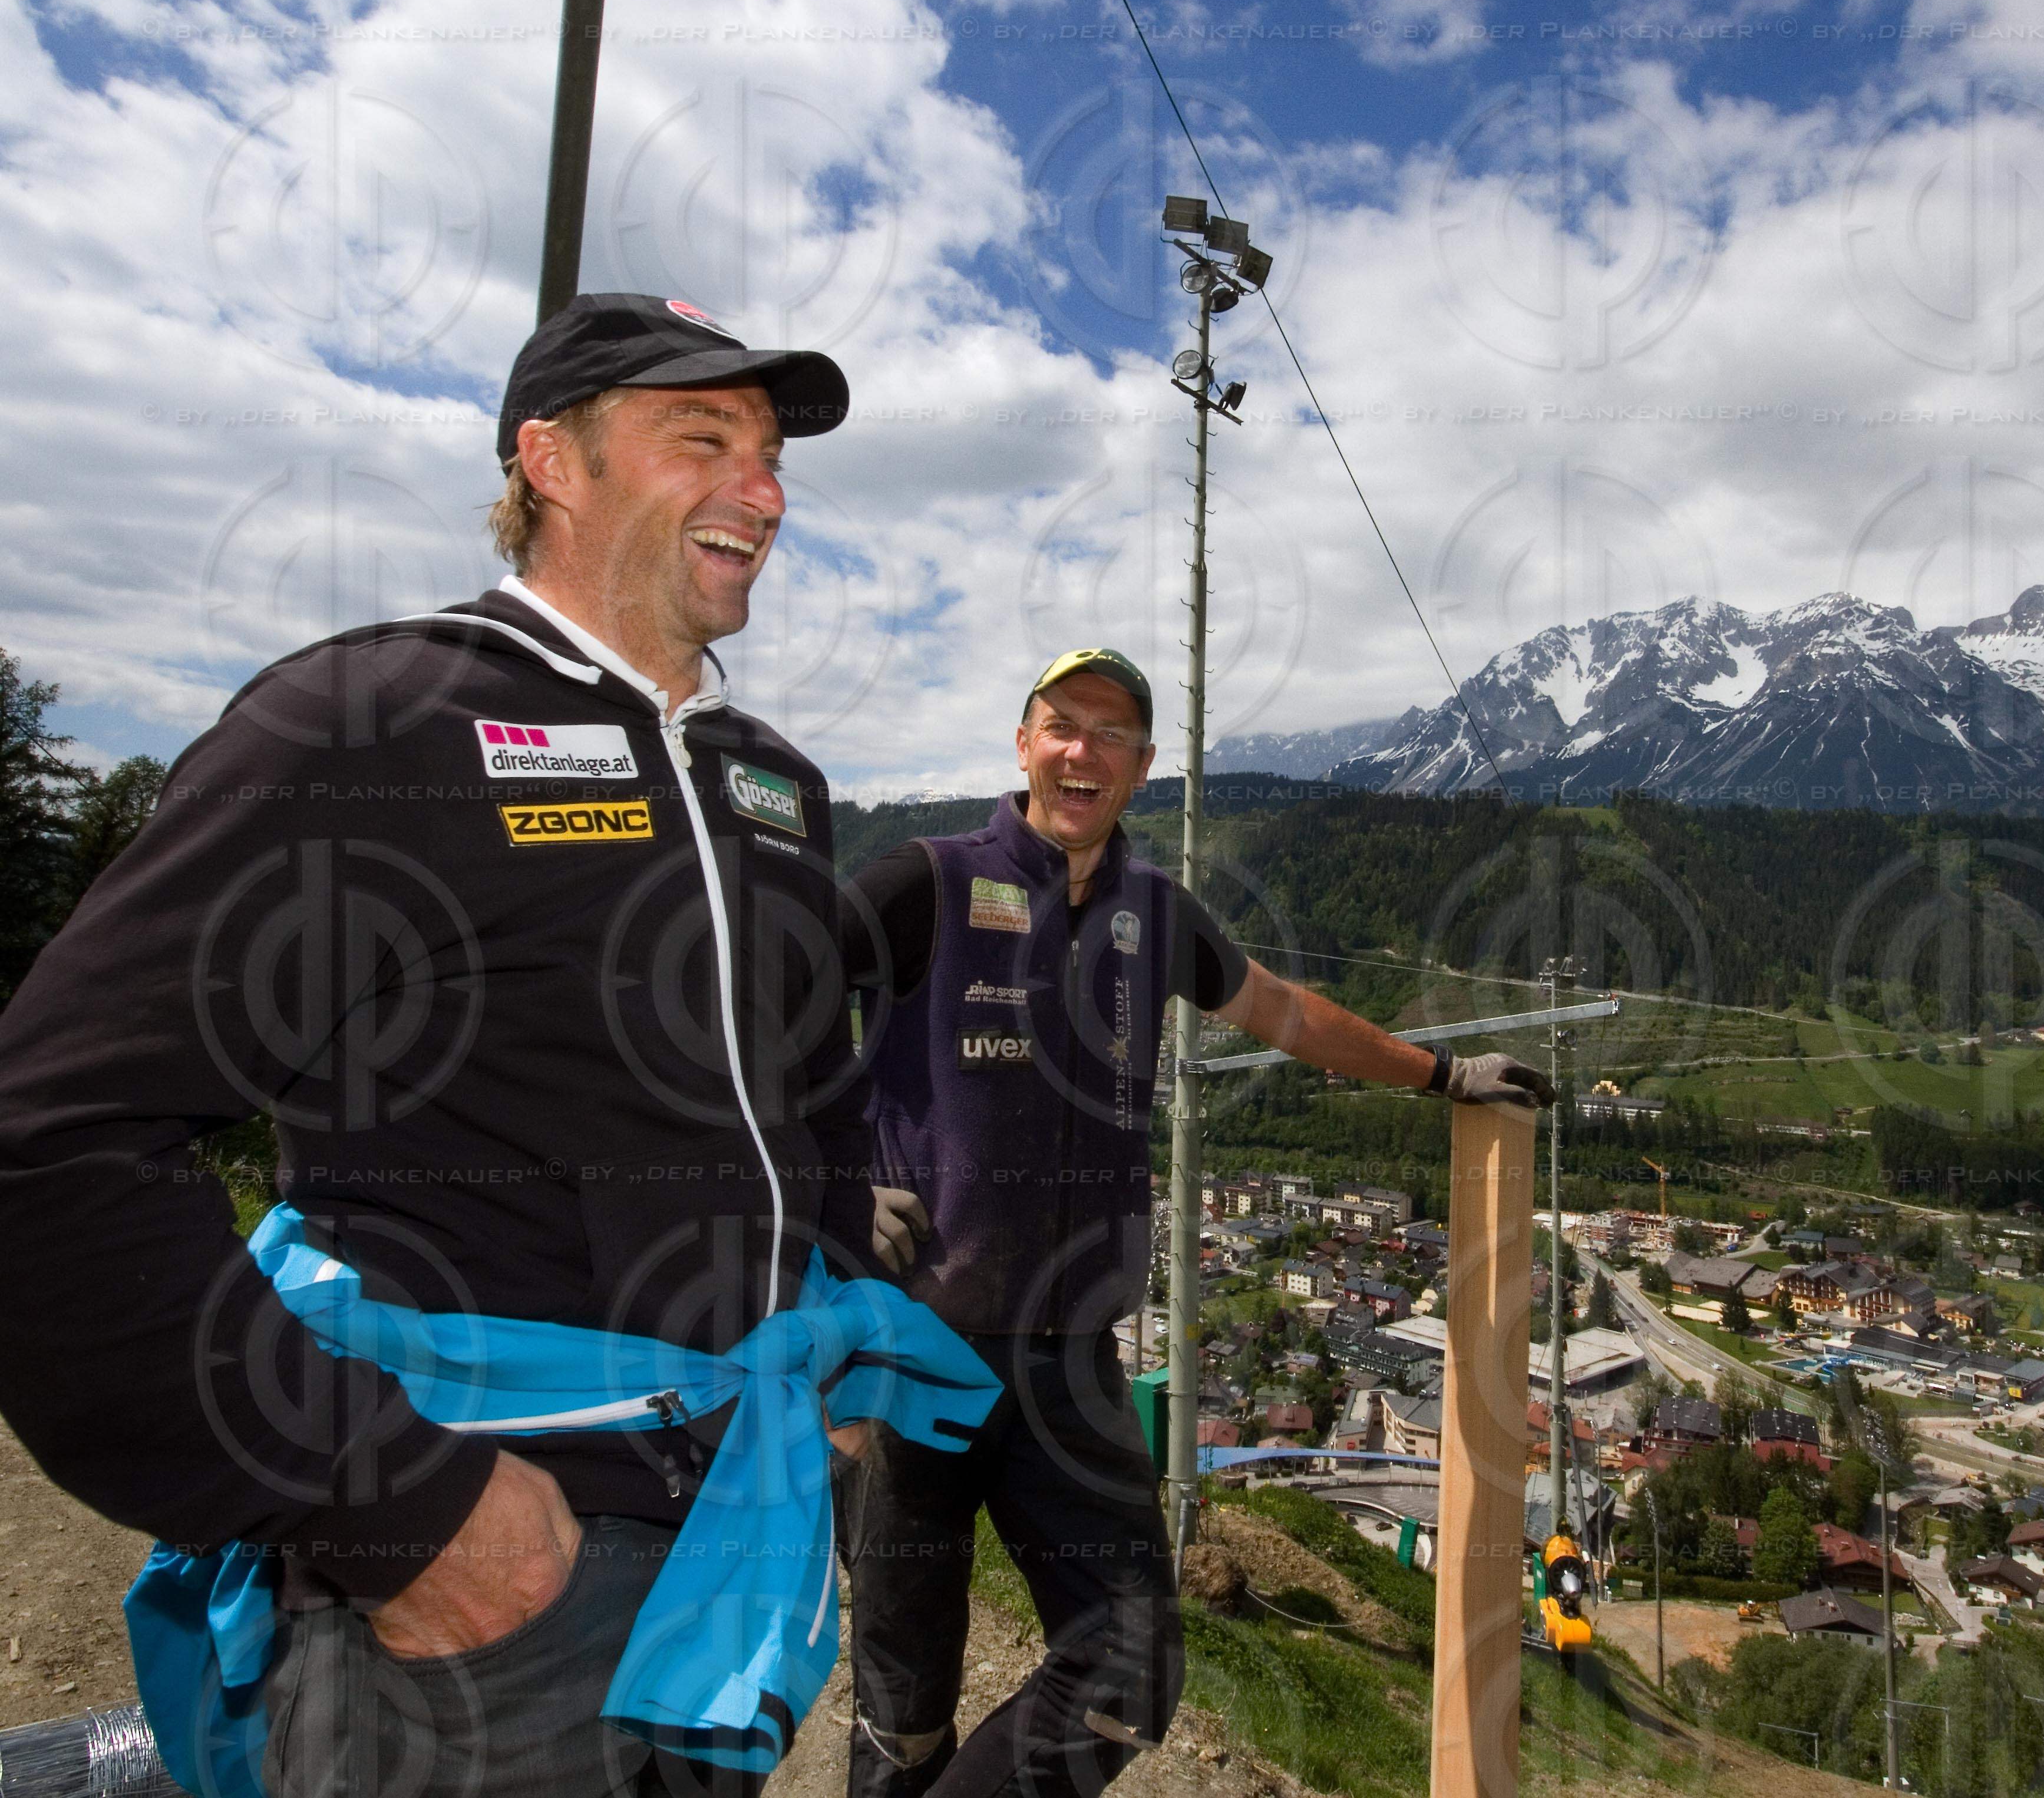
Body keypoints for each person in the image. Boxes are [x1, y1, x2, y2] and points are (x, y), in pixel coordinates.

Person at [0, 294, 895, 1797]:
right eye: (707, 439)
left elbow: (816, 1100)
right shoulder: (376, 723)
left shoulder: (775, 787)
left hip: (733, 1541)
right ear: (551, 459)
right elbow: (51, 1141)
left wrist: (851, 1332)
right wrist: (392, 1507)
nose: (766, 489)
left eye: (772, 452)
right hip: (495, 1565)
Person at [837, 647, 1553, 1798]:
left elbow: (1288, 1012)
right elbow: (766, 1015)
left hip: (1072, 1365)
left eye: (1113, 734)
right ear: (1023, 743)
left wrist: (1440, 1073)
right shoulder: (920, 883)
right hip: (908, 1351)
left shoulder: (1154, 916)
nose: (1085, 750)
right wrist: (835, 1188)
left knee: (1131, 1664)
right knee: (904, 1704)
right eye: (1062, 724)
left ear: (1144, 769)